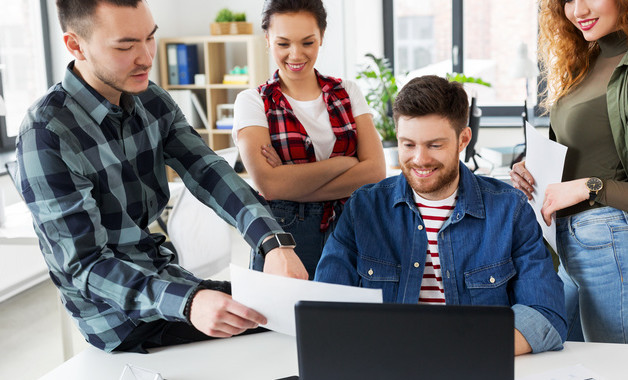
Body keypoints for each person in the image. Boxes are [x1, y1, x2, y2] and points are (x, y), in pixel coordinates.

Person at [15, 0, 308, 353]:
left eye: (150, 38)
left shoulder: (151, 99)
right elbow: (86, 266)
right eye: (126, 45)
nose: (146, 57)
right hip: (116, 318)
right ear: (76, 45)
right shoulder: (47, 132)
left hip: (165, 280)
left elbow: (208, 171)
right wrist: (188, 302)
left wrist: (272, 241)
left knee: (297, 314)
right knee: (290, 331)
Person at [315, 75, 567, 355]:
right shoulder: (364, 208)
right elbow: (325, 308)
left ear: (463, 140)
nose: (420, 159)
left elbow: (546, 315)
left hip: (473, 365)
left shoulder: (510, 210)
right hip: (386, 364)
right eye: (408, 145)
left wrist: (455, 351)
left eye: (434, 145)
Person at [233, 0, 386, 279]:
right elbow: (269, 184)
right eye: (283, 44)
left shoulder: (348, 91)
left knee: (345, 318)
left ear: (321, 37)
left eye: (307, 42)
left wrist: (292, 182)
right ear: (267, 39)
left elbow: (375, 170)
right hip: (285, 236)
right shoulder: (252, 102)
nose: (296, 54)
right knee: (280, 320)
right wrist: (346, 163)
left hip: (350, 227)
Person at [510, 0, 628, 343]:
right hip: (567, 241)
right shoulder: (589, 60)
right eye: (567, 1)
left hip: (610, 239)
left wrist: (590, 187)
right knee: (568, 362)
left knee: (613, 366)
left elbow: (594, 179)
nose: (578, 10)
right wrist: (529, 166)